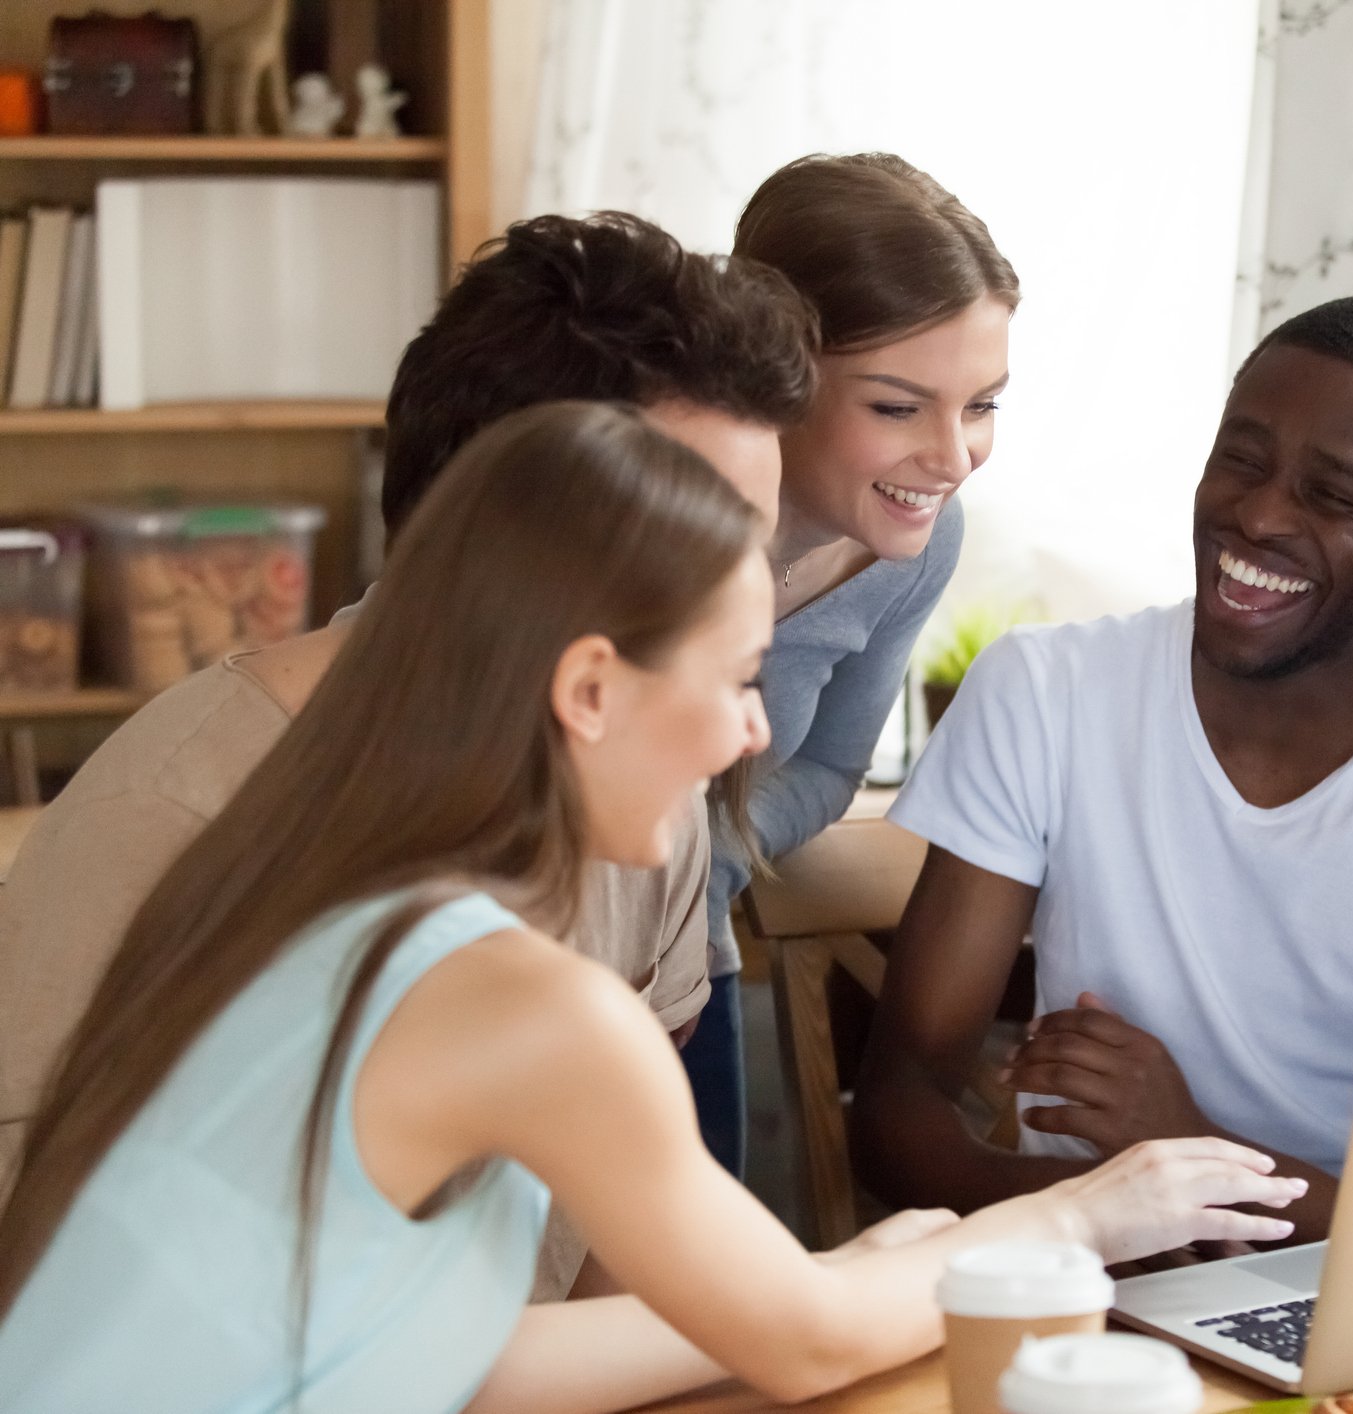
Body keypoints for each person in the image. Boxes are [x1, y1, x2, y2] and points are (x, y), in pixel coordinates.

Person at [0, 403, 1304, 1413]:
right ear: (587, 689)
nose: (752, 730)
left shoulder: (353, 912)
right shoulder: (534, 1003)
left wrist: (847, 1280)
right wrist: (1084, 1209)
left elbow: (458, 1359)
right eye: (737, 676)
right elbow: (803, 1345)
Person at [0, 212, 811, 1296]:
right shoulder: (182, 815)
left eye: (751, 549)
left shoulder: (650, 791)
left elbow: (617, 1271)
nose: (740, 601)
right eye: (693, 545)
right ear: (497, 536)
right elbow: (53, 1291)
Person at [850, 295, 1353, 1241]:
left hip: (1346, 1319)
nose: (1257, 515)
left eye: (1332, 495)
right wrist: (1086, 1223)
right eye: (1241, 460)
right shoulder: (1045, 693)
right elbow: (895, 1112)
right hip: (1076, 1297)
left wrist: (1188, 1151)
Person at [684, 152, 1015, 1173]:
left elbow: (828, 770)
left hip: (681, 963)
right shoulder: (640, 515)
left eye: (984, 404)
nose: (952, 457)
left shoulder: (912, 542)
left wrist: (705, 860)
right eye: (897, 407)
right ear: (774, 371)